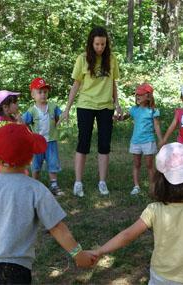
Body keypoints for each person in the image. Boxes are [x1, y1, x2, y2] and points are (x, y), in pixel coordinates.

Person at [0, 124, 96, 284]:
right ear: (30, 158)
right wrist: (78, 254)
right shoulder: (37, 189)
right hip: (18, 266)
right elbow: (57, 228)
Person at [88, 143, 183, 284]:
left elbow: (127, 235)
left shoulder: (154, 210)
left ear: (160, 182)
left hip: (160, 277)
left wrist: (100, 251)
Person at [61, 26, 122, 197]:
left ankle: (102, 182)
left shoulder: (111, 59)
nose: (100, 47)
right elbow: (76, 84)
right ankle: (78, 182)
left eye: (103, 44)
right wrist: (67, 109)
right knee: (83, 143)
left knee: (104, 145)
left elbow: (113, 83)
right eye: (97, 44)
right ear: (91, 43)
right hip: (85, 105)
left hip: (106, 107)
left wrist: (117, 104)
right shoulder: (82, 59)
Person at [22, 77, 64, 196]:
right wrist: (30, 135)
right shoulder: (31, 111)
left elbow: (59, 117)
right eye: (39, 92)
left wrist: (62, 118)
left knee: (52, 162)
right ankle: (35, 185)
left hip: (51, 141)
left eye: (45, 92)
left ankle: (54, 185)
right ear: (33, 95)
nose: (43, 95)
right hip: (37, 143)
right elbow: (24, 123)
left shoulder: (53, 107)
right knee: (36, 164)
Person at [126, 83, 163, 195]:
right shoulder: (134, 109)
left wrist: (161, 139)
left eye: (140, 95)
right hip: (136, 141)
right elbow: (124, 117)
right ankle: (136, 186)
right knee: (136, 164)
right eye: (137, 95)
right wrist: (118, 117)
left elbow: (156, 126)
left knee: (149, 165)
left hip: (148, 141)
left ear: (148, 96)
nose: (138, 97)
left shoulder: (153, 111)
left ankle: (153, 186)